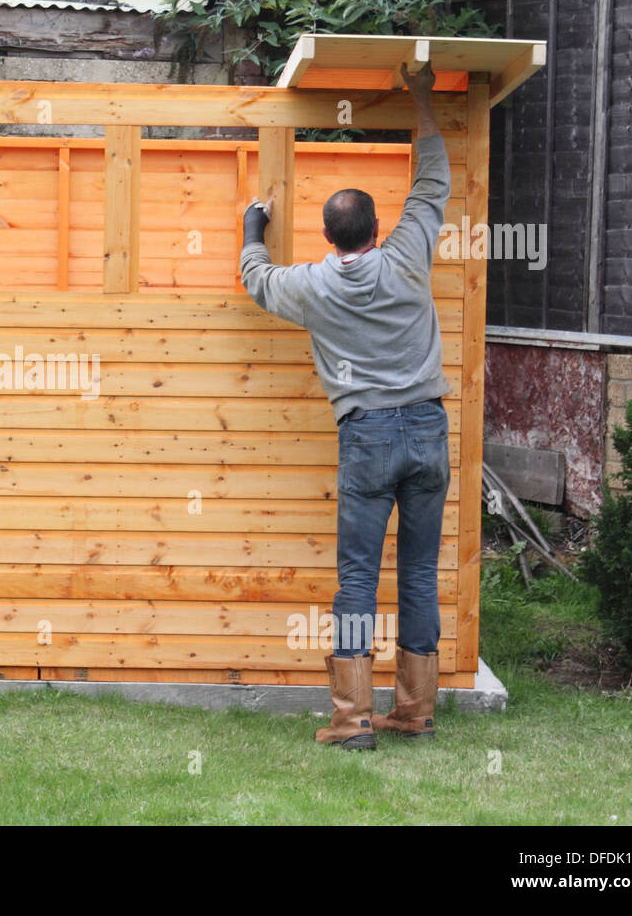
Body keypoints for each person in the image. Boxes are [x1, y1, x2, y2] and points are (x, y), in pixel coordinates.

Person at [239, 61, 452, 750]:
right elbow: (435, 173)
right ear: (379, 226)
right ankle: (414, 711)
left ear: (329, 238)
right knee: (418, 570)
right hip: (427, 430)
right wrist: (420, 94)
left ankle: (354, 717)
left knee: (358, 576)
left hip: (367, 440)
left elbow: (257, 280)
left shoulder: (312, 288)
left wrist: (252, 226)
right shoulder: (409, 255)